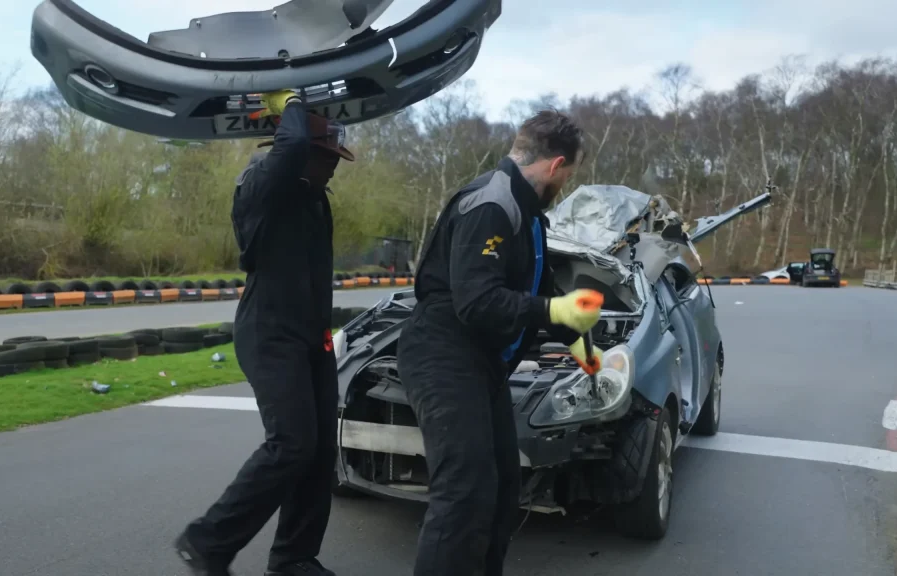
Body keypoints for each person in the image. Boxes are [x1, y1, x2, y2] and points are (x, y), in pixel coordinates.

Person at [396, 109, 604, 576]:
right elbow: (477, 301)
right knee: (464, 493)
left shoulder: (527, 212)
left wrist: (581, 346)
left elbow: (538, 287)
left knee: (503, 489)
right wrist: (551, 311)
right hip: (441, 353)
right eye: (568, 174)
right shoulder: (492, 204)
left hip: (478, 361)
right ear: (555, 166)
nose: (565, 184)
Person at [174, 89, 354, 576]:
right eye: (329, 158)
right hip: (269, 333)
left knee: (318, 452)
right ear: (302, 152)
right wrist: (290, 100)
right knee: (291, 443)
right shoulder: (261, 187)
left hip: (310, 338)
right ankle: (207, 541)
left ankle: (294, 557)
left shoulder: (314, 196)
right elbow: (291, 143)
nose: (334, 168)